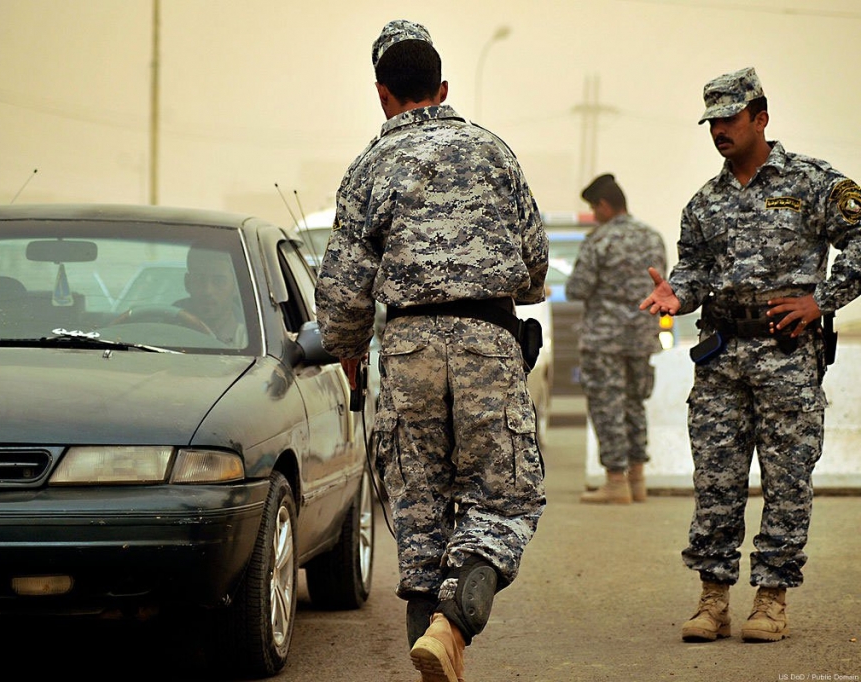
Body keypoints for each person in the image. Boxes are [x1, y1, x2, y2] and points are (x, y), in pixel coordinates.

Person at [315, 20, 547, 682]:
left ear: (383, 94)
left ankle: (435, 644)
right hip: (486, 341)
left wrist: (349, 348)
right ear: (442, 89)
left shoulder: (368, 166)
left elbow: (342, 299)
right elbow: (534, 269)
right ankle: (454, 623)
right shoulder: (493, 152)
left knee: (418, 509)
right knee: (501, 496)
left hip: (410, 346)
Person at [640, 67, 861, 644]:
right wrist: (677, 295)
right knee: (716, 481)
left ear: (760, 118)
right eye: (711, 121)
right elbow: (691, 269)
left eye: (729, 118)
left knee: (787, 481)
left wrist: (824, 299)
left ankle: (771, 600)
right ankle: (712, 601)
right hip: (720, 359)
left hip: (787, 356)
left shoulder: (813, 182)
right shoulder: (704, 203)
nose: (718, 130)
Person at [568, 174, 667, 504]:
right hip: (641, 336)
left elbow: (578, 288)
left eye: (595, 209)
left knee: (607, 406)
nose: (595, 215)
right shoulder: (652, 237)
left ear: (605, 205)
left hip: (604, 339)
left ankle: (615, 482)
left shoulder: (600, 240)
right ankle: (638, 481)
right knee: (634, 404)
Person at [175, 246, 247, 347]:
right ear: (188, 283)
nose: (208, 290)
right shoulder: (165, 332)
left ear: (236, 286)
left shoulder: (252, 343)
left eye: (219, 281)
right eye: (199, 279)